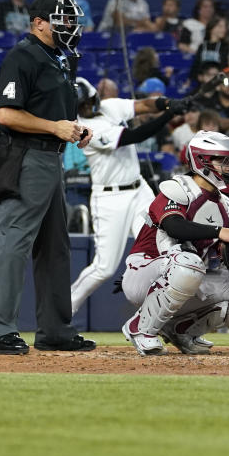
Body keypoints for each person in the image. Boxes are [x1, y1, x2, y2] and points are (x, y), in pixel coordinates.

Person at [0, 0, 95, 355]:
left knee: (55, 248)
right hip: (25, 157)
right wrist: (54, 128)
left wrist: (74, 129)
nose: (69, 26)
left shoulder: (57, 59)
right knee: (15, 243)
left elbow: (54, 118)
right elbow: (6, 114)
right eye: (60, 19)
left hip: (51, 160)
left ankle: (55, 331)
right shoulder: (23, 55)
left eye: (71, 19)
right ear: (38, 23)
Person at [120, 131, 229, 355]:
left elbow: (222, 253)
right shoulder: (176, 189)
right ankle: (141, 328)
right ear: (201, 161)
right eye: (223, 161)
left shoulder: (227, 208)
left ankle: (181, 329)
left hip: (186, 273)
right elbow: (174, 227)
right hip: (145, 270)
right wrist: (221, 232)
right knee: (189, 263)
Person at [69, 77, 183, 315]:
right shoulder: (84, 129)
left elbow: (143, 105)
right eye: (81, 106)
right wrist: (169, 115)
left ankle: (166, 318)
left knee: (162, 247)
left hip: (139, 191)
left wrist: (167, 102)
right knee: (104, 268)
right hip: (110, 199)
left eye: (88, 102)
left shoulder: (108, 106)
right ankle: (62, 313)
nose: (86, 108)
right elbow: (135, 136)